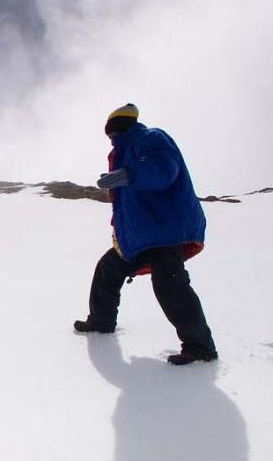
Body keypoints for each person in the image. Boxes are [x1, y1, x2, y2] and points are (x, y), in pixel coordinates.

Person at [74, 103, 218, 365]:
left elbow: (163, 170)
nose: (110, 139)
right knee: (109, 268)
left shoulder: (151, 138)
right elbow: (128, 205)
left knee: (170, 283)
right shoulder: (123, 153)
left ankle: (201, 347)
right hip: (144, 234)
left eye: (111, 133)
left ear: (119, 127)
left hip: (167, 228)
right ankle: (101, 322)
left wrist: (129, 174)